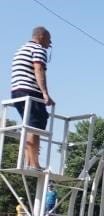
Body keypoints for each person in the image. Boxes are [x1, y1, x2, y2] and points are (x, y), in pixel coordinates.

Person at [10, 26, 54, 170]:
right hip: (29, 91)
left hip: (17, 91)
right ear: (41, 37)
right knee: (36, 125)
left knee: (30, 126)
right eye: (49, 39)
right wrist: (45, 93)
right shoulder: (39, 49)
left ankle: (30, 162)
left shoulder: (21, 49)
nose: (50, 43)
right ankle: (34, 164)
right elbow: (38, 69)